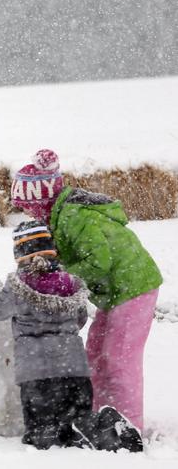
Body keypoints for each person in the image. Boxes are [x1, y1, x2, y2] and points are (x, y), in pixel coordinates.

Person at [0, 221, 143, 452]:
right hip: (75, 371)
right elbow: (80, 319)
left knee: (43, 436)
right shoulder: (70, 283)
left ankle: (62, 442)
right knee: (78, 422)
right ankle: (106, 430)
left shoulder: (18, 285)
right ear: (52, 251)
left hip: (37, 376)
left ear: (20, 256)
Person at [11, 149, 163, 431]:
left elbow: (100, 260)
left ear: (42, 199)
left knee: (119, 357)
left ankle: (129, 426)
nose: (27, 212)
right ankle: (97, 415)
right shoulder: (57, 218)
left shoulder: (73, 216)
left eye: (28, 205)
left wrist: (65, 279)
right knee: (95, 352)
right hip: (114, 292)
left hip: (134, 287)